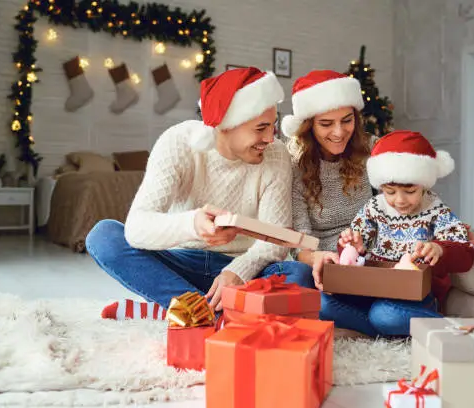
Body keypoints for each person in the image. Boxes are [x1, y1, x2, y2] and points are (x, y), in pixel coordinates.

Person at [86, 67, 314, 320]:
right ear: (227, 124)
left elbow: (275, 238)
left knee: (299, 275)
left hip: (242, 267)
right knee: (104, 237)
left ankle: (174, 308)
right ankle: (208, 314)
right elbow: (137, 228)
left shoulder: (276, 154)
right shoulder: (178, 142)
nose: (270, 138)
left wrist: (239, 271)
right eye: (260, 128)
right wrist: (192, 224)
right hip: (182, 261)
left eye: (273, 126)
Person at [283, 70, 474, 336]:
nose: (339, 132)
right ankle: (389, 322)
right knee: (321, 303)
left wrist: (450, 239)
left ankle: (381, 320)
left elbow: (411, 185)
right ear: (308, 125)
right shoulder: (293, 162)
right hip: (335, 268)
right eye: (326, 123)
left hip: (388, 266)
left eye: (347, 120)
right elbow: (299, 239)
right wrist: (330, 255)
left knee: (388, 308)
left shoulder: (373, 148)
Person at [338, 130, 474, 317]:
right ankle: (375, 323)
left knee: (385, 314)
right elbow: (350, 252)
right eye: (390, 192)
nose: (400, 200)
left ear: (423, 185)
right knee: (326, 304)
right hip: (374, 289)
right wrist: (353, 247)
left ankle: (378, 322)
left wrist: (440, 249)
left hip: (417, 295)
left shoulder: (435, 210)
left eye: (410, 191)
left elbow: (465, 254)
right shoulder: (375, 206)